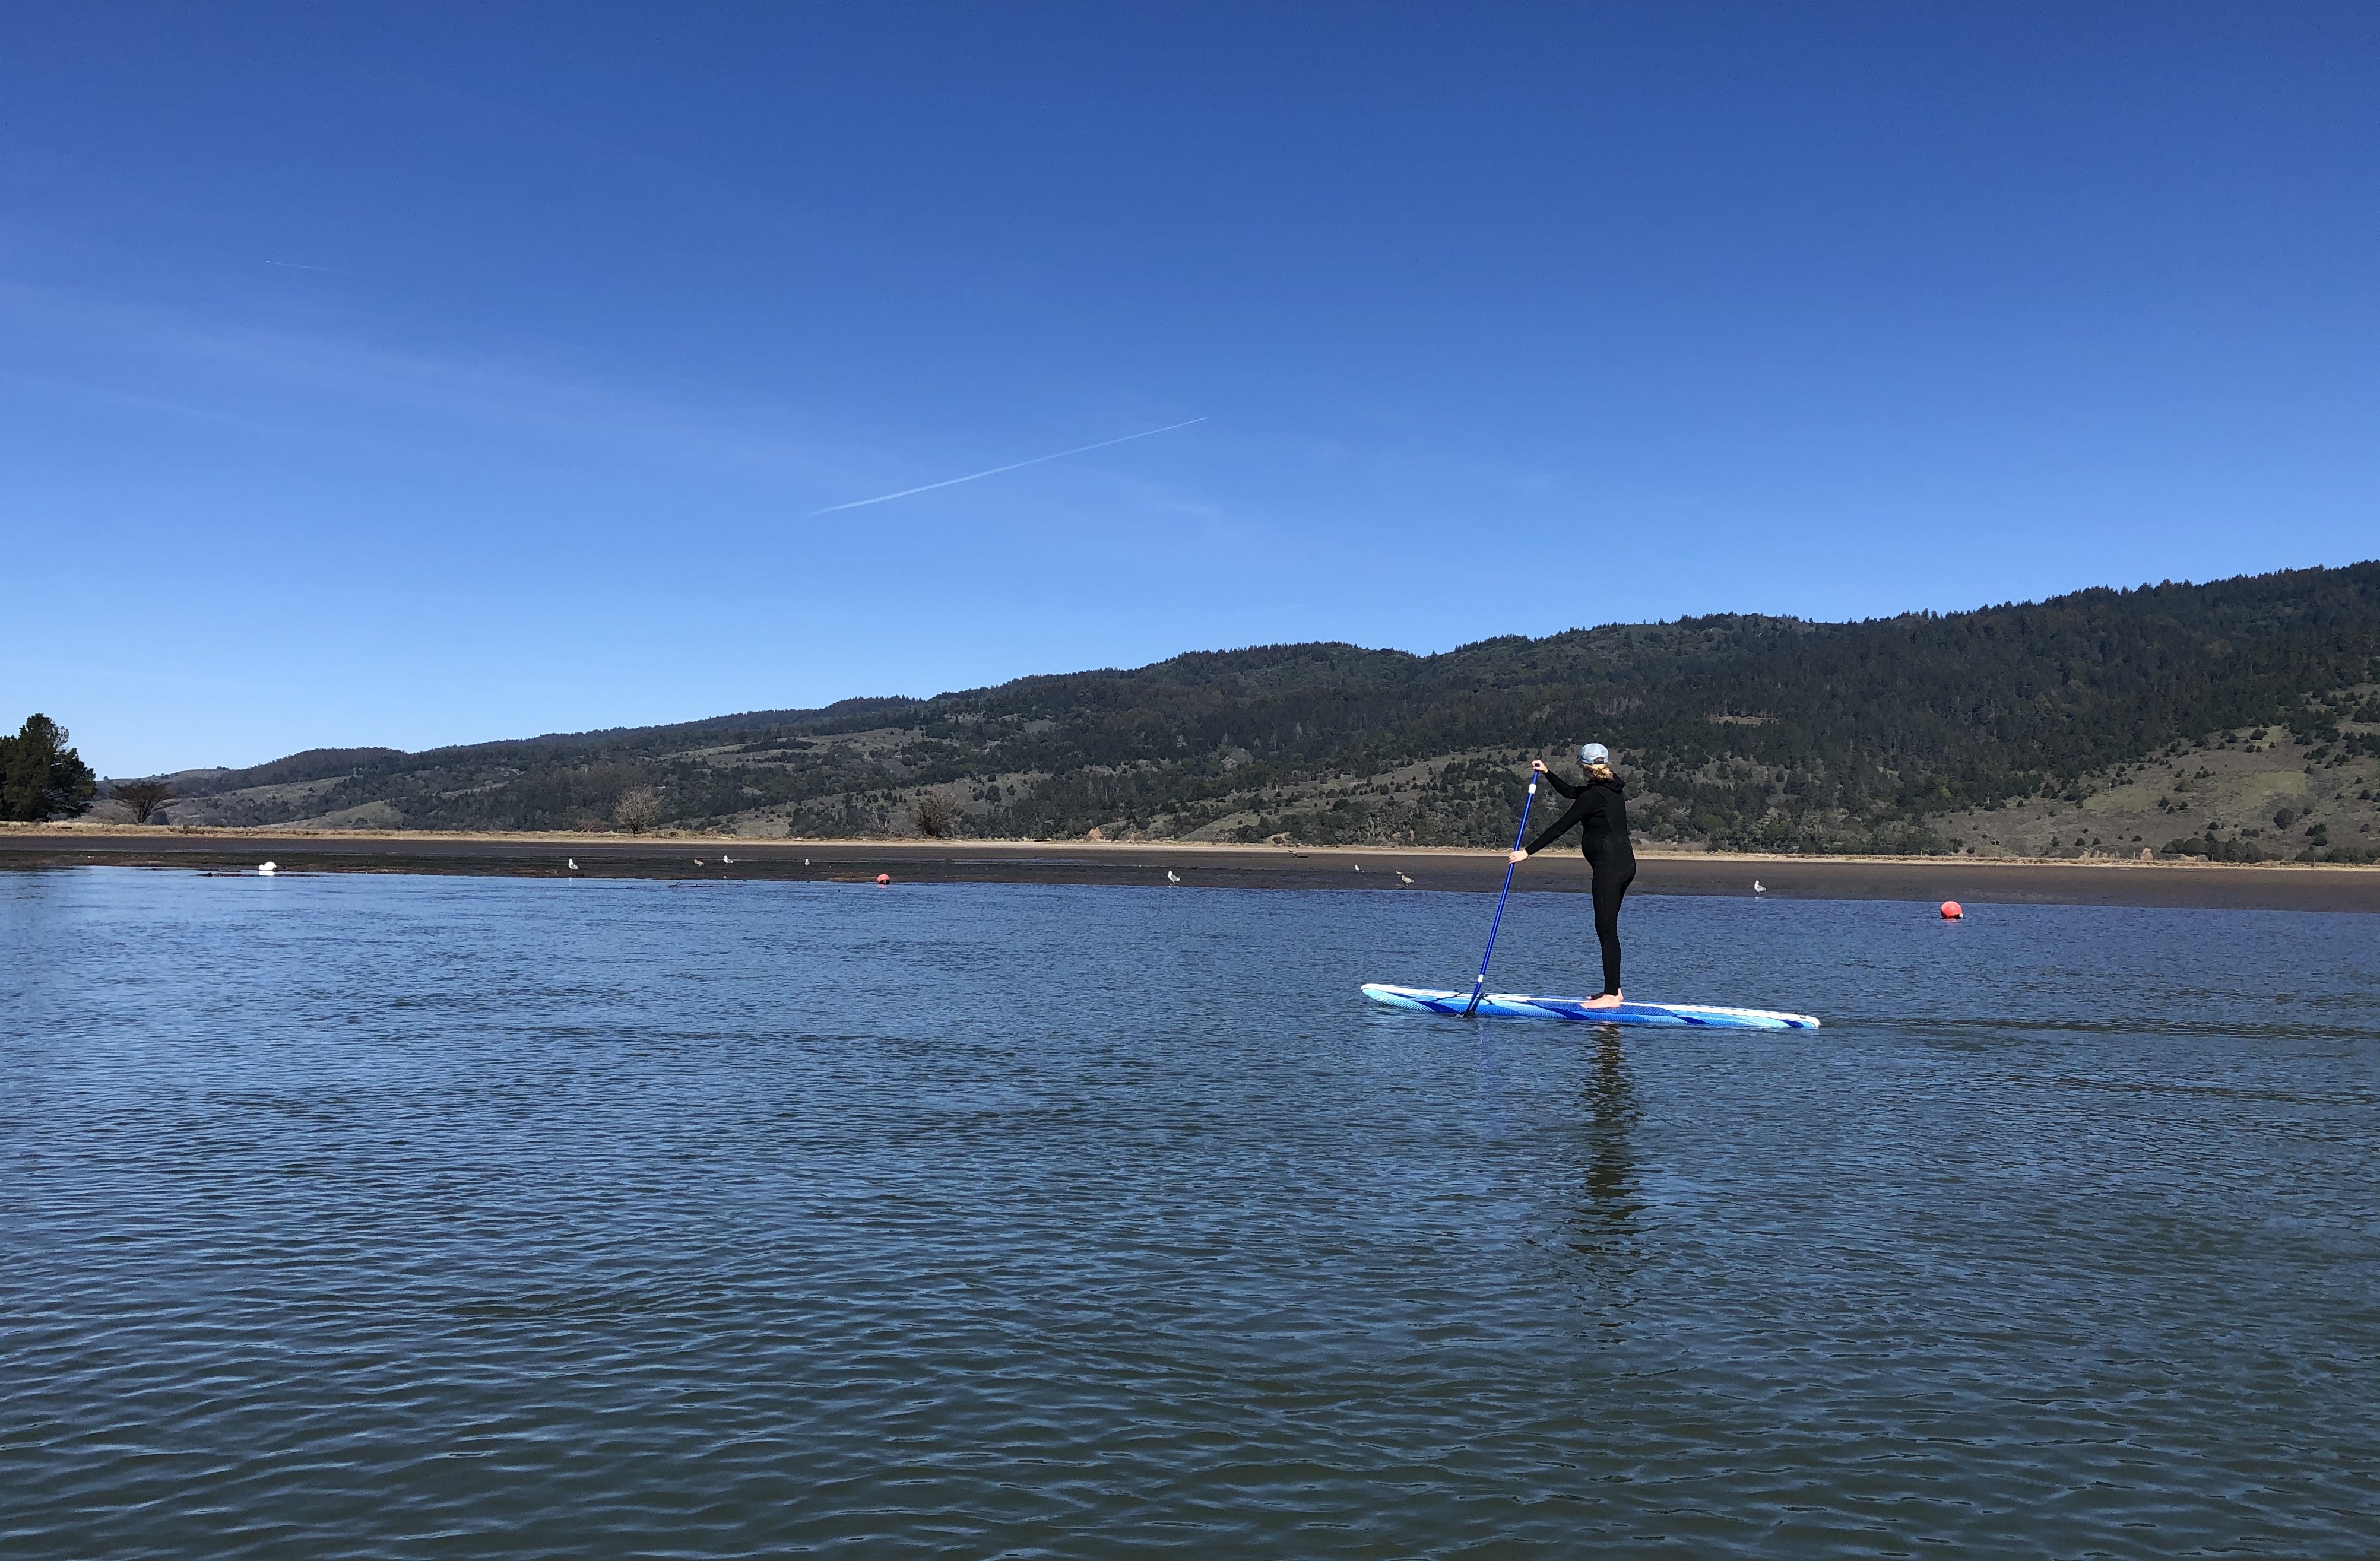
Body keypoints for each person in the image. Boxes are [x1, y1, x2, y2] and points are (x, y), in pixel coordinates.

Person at [1508, 742, 1636, 1007]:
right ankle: (1614, 990)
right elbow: (1571, 793)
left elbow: (1561, 826)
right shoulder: (1609, 790)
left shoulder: (1593, 796)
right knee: (1607, 927)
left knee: (1606, 928)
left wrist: (1527, 852)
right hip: (1625, 864)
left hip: (1610, 867)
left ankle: (1612, 995)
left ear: (1584, 767)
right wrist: (1547, 772)